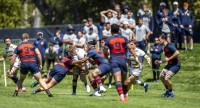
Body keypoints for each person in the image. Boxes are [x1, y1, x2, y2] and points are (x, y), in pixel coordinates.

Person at [104, 24, 139, 102]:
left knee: (118, 80)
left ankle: (121, 96)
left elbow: (105, 51)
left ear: (111, 30)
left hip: (114, 61)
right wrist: (136, 57)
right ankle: (125, 95)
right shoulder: (124, 38)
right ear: (119, 30)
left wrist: (107, 57)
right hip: (123, 61)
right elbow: (130, 48)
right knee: (124, 80)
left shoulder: (108, 39)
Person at [71, 31, 90, 95]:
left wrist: (83, 66)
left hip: (83, 63)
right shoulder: (73, 53)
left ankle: (86, 84)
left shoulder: (82, 52)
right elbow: (75, 63)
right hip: (78, 65)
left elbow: (83, 61)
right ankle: (74, 92)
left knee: (82, 77)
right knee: (75, 78)